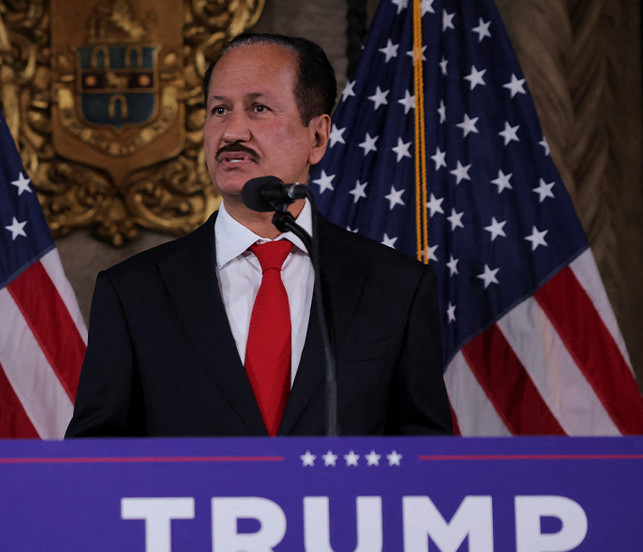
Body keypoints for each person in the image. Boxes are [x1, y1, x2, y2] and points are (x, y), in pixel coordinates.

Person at [66, 34, 453, 438]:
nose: (232, 131)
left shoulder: (395, 286)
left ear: (317, 136)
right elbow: (95, 458)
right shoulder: (134, 292)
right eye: (219, 110)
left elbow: (426, 457)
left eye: (259, 108)